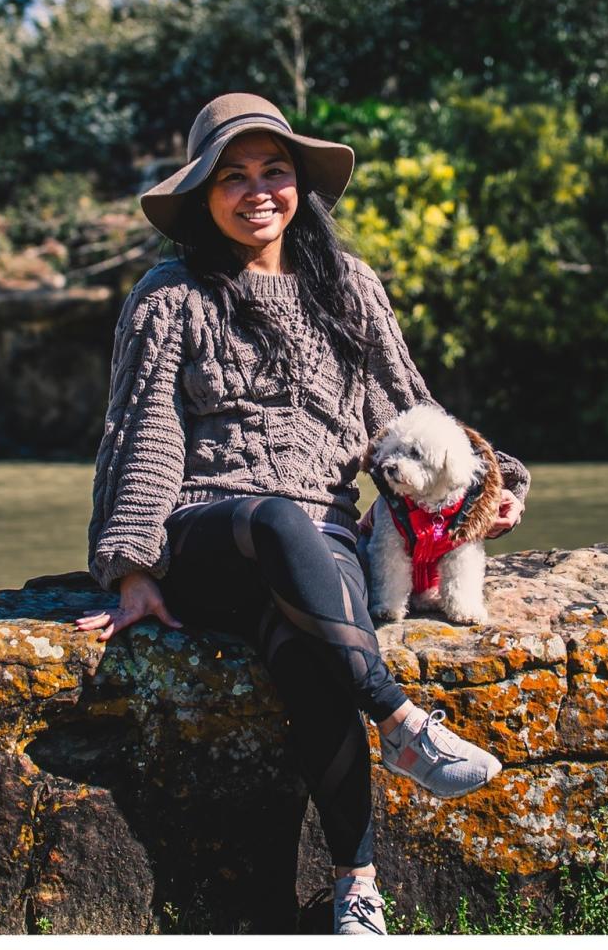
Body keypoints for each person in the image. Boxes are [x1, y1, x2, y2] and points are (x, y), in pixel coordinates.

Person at [75, 93, 530, 935]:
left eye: (274, 171)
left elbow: (409, 410)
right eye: (233, 175)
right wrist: (132, 567)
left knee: (310, 649)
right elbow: (140, 436)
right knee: (283, 522)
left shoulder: (348, 286)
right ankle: (400, 721)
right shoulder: (169, 297)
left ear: (299, 185)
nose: (258, 192)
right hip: (210, 529)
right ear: (204, 194)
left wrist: (493, 486)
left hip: (320, 541)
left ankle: (356, 891)